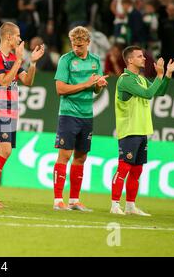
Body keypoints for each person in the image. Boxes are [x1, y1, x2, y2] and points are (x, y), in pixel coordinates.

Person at [111, 46, 174, 216]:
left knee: (137, 170)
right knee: (124, 168)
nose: (144, 58)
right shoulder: (125, 79)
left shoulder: (140, 79)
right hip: (129, 130)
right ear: (130, 60)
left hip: (142, 130)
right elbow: (148, 94)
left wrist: (167, 74)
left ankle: (130, 206)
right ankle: (114, 205)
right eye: (140, 56)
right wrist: (158, 75)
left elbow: (159, 91)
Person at [0, 22, 44, 208]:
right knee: (6, 150)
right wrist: (19, 61)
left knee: (0, 151)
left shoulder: (12, 57)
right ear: (8, 37)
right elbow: (2, 81)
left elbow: (27, 81)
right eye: (17, 36)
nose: (20, 39)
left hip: (11, 108)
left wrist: (32, 63)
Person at [53, 26, 108, 211]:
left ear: (88, 43)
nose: (76, 48)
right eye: (74, 45)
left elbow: (95, 89)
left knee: (81, 157)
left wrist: (99, 85)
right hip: (68, 113)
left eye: (80, 45)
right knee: (65, 155)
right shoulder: (65, 60)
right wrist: (86, 84)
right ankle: (58, 200)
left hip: (87, 114)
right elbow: (60, 89)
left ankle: (74, 200)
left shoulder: (95, 61)